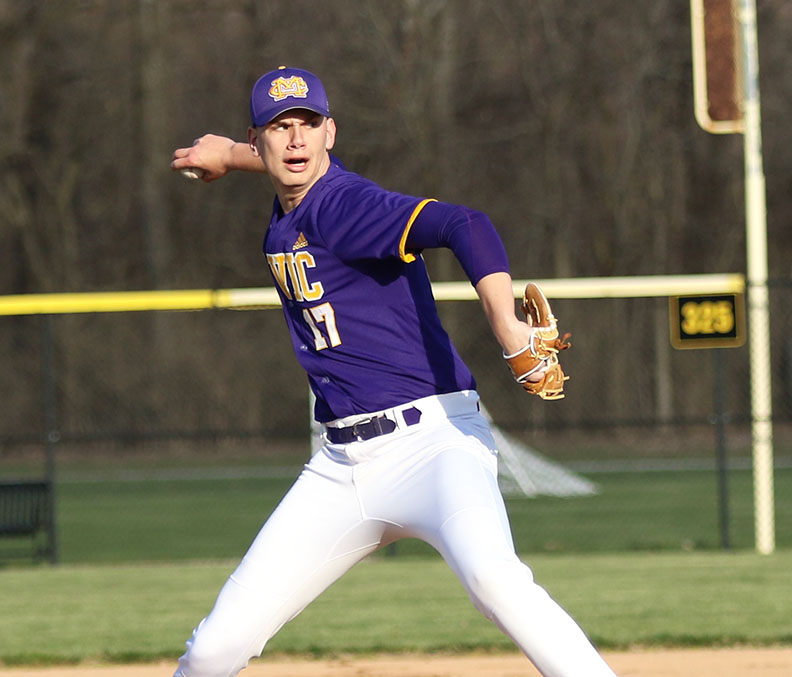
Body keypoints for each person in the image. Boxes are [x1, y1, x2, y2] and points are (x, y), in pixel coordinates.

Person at [170, 66, 617, 677]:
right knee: (212, 650)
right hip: (339, 470)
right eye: (280, 128)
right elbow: (285, 169)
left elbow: (466, 224)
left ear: (333, 132)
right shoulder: (293, 196)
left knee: (496, 582)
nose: (296, 140)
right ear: (259, 139)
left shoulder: (348, 207)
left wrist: (508, 326)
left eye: (309, 124)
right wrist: (227, 153)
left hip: (434, 446)